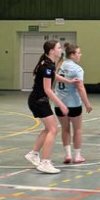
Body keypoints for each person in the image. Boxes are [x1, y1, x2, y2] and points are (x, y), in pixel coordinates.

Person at [25, 39, 69, 175]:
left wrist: (69, 81)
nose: (61, 50)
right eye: (58, 48)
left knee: (49, 129)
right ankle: (45, 162)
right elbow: (48, 89)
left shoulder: (49, 63)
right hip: (39, 101)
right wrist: (61, 104)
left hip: (38, 100)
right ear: (51, 51)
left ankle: (33, 154)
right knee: (53, 129)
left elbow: (53, 76)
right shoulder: (47, 66)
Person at [55, 43, 92, 163]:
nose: (80, 55)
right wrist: (87, 103)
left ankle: (68, 155)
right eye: (78, 53)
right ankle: (77, 156)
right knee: (77, 129)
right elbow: (80, 87)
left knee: (65, 129)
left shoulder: (59, 65)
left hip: (59, 103)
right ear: (72, 55)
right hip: (73, 104)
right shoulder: (77, 69)